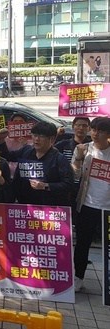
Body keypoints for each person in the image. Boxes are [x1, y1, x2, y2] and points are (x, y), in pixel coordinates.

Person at [71, 117, 110, 293]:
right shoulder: (83, 149)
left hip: (107, 207)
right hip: (87, 204)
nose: (95, 133)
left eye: (100, 131)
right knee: (82, 243)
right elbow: (75, 176)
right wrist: (78, 159)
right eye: (93, 129)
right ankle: (78, 277)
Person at [0, 121, 73, 206]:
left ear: (51, 139)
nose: (37, 139)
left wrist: (45, 186)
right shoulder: (26, 151)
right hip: (24, 205)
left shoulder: (59, 159)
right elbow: (7, 156)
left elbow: (68, 184)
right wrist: (1, 140)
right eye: (34, 135)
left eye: (41, 136)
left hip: (48, 207)